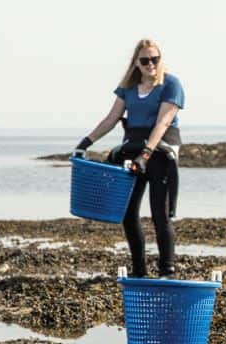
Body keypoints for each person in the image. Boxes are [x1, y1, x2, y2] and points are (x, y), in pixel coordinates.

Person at [73, 38, 184, 278]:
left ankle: (167, 270)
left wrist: (146, 154)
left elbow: (163, 122)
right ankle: (139, 271)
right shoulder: (129, 88)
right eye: (145, 60)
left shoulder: (171, 84)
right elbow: (111, 118)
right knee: (128, 212)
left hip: (160, 151)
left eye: (155, 59)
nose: (151, 64)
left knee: (159, 213)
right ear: (136, 63)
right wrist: (85, 143)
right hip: (133, 149)